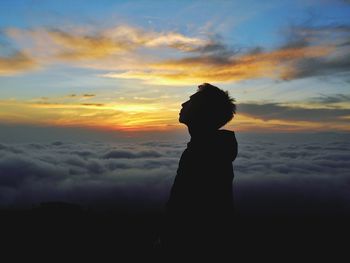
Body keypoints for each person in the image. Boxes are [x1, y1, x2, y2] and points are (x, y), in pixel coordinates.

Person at [160, 83, 238, 257]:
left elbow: (189, 211)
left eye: (190, 101)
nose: (182, 104)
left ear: (203, 112)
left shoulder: (203, 154)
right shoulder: (210, 149)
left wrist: (169, 242)